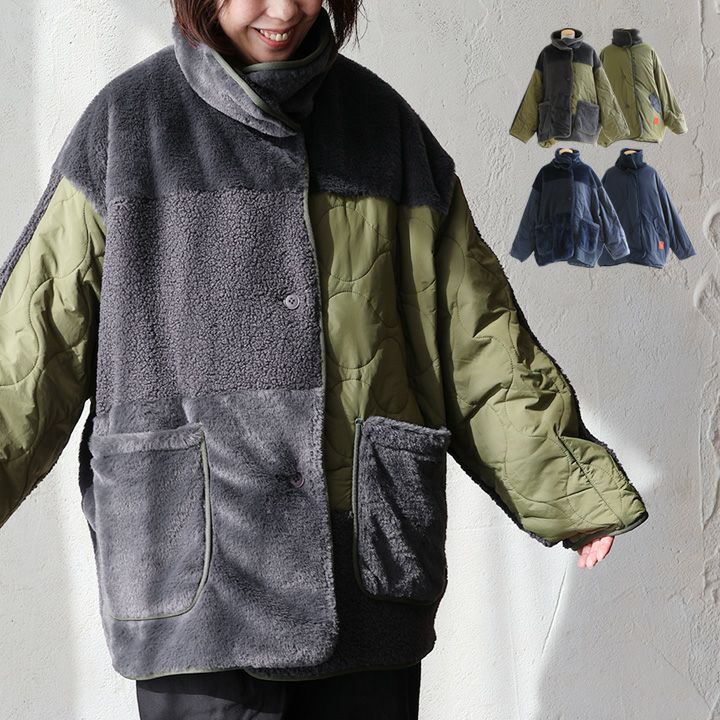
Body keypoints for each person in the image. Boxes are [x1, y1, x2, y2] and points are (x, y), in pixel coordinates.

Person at [0, 1, 649, 718]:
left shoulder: (385, 130)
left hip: (361, 575)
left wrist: (564, 486)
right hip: (196, 581)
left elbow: (476, 336)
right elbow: (32, 345)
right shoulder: (128, 126)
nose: (284, 11)